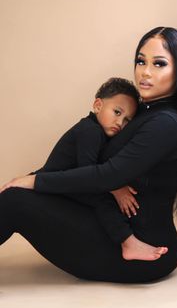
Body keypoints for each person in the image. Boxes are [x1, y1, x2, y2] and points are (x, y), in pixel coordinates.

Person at [0, 26, 177, 283]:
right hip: (112, 227)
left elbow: (106, 175)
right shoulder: (146, 111)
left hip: (139, 247)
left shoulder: (165, 124)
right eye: (141, 61)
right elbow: (102, 171)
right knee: (17, 196)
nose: (145, 72)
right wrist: (37, 180)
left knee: (14, 201)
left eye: (159, 64)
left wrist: (34, 180)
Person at [28, 77, 166, 261]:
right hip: (55, 187)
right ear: (98, 105)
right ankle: (128, 242)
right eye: (117, 112)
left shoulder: (99, 133)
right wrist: (116, 188)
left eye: (126, 120)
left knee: (100, 198)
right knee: (102, 200)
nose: (120, 122)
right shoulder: (90, 131)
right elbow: (90, 175)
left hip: (67, 185)